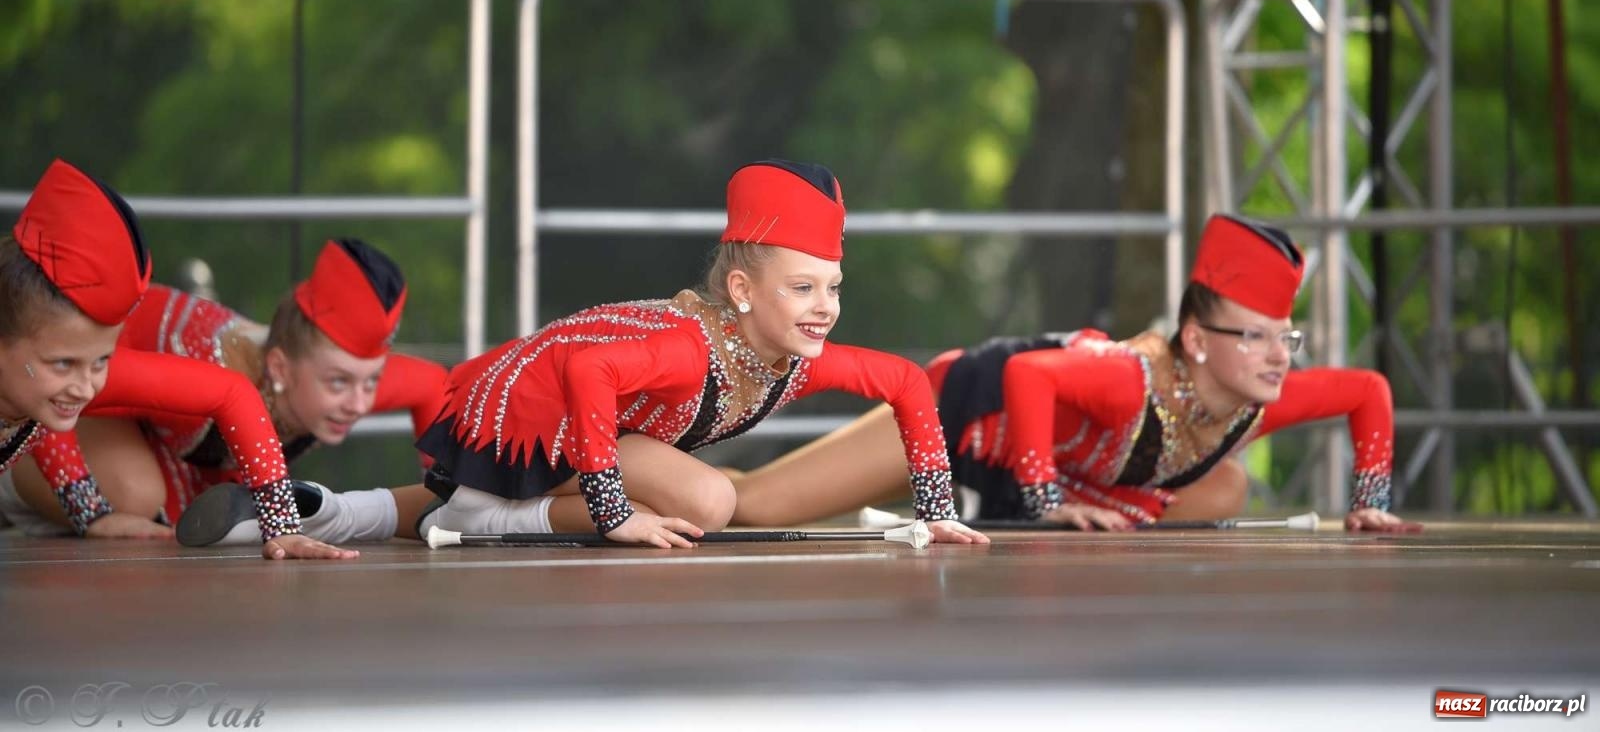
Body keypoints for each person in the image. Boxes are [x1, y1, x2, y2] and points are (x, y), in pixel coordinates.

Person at [393, 159, 984, 548]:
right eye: (803, 288)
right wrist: (613, 512)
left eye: (834, 288)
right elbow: (586, 366)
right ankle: (489, 515)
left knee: (698, 501)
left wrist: (935, 511)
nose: (825, 307)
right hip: (531, 406)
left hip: (596, 427)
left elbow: (907, 381)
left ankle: (375, 511)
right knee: (708, 500)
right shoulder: (691, 350)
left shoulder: (795, 359)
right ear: (742, 290)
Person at [729, 214, 1419, 534]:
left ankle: (1055, 500)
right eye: (1258, 338)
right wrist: (1044, 501)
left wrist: (1371, 501)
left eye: (1286, 338)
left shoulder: (1257, 400)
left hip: (1053, 454)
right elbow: (1030, 374)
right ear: (1197, 341)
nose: (1280, 356)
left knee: (1227, 485)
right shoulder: (1133, 382)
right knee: (753, 506)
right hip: (964, 413)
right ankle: (657, 462)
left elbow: (1369, 391)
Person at [0, 158, 352, 559]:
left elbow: (233, 393)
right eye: (63, 363)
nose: (86, 387)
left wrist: (281, 525)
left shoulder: (49, 375)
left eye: (101, 360)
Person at [3, 237, 446, 546]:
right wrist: (89, 510)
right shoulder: (201, 364)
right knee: (138, 495)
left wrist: (444, 490)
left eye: (372, 380)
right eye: (339, 382)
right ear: (280, 367)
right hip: (72, 407)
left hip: (143, 427)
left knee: (194, 513)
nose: (360, 403)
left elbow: (431, 385)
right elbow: (62, 392)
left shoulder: (337, 378)